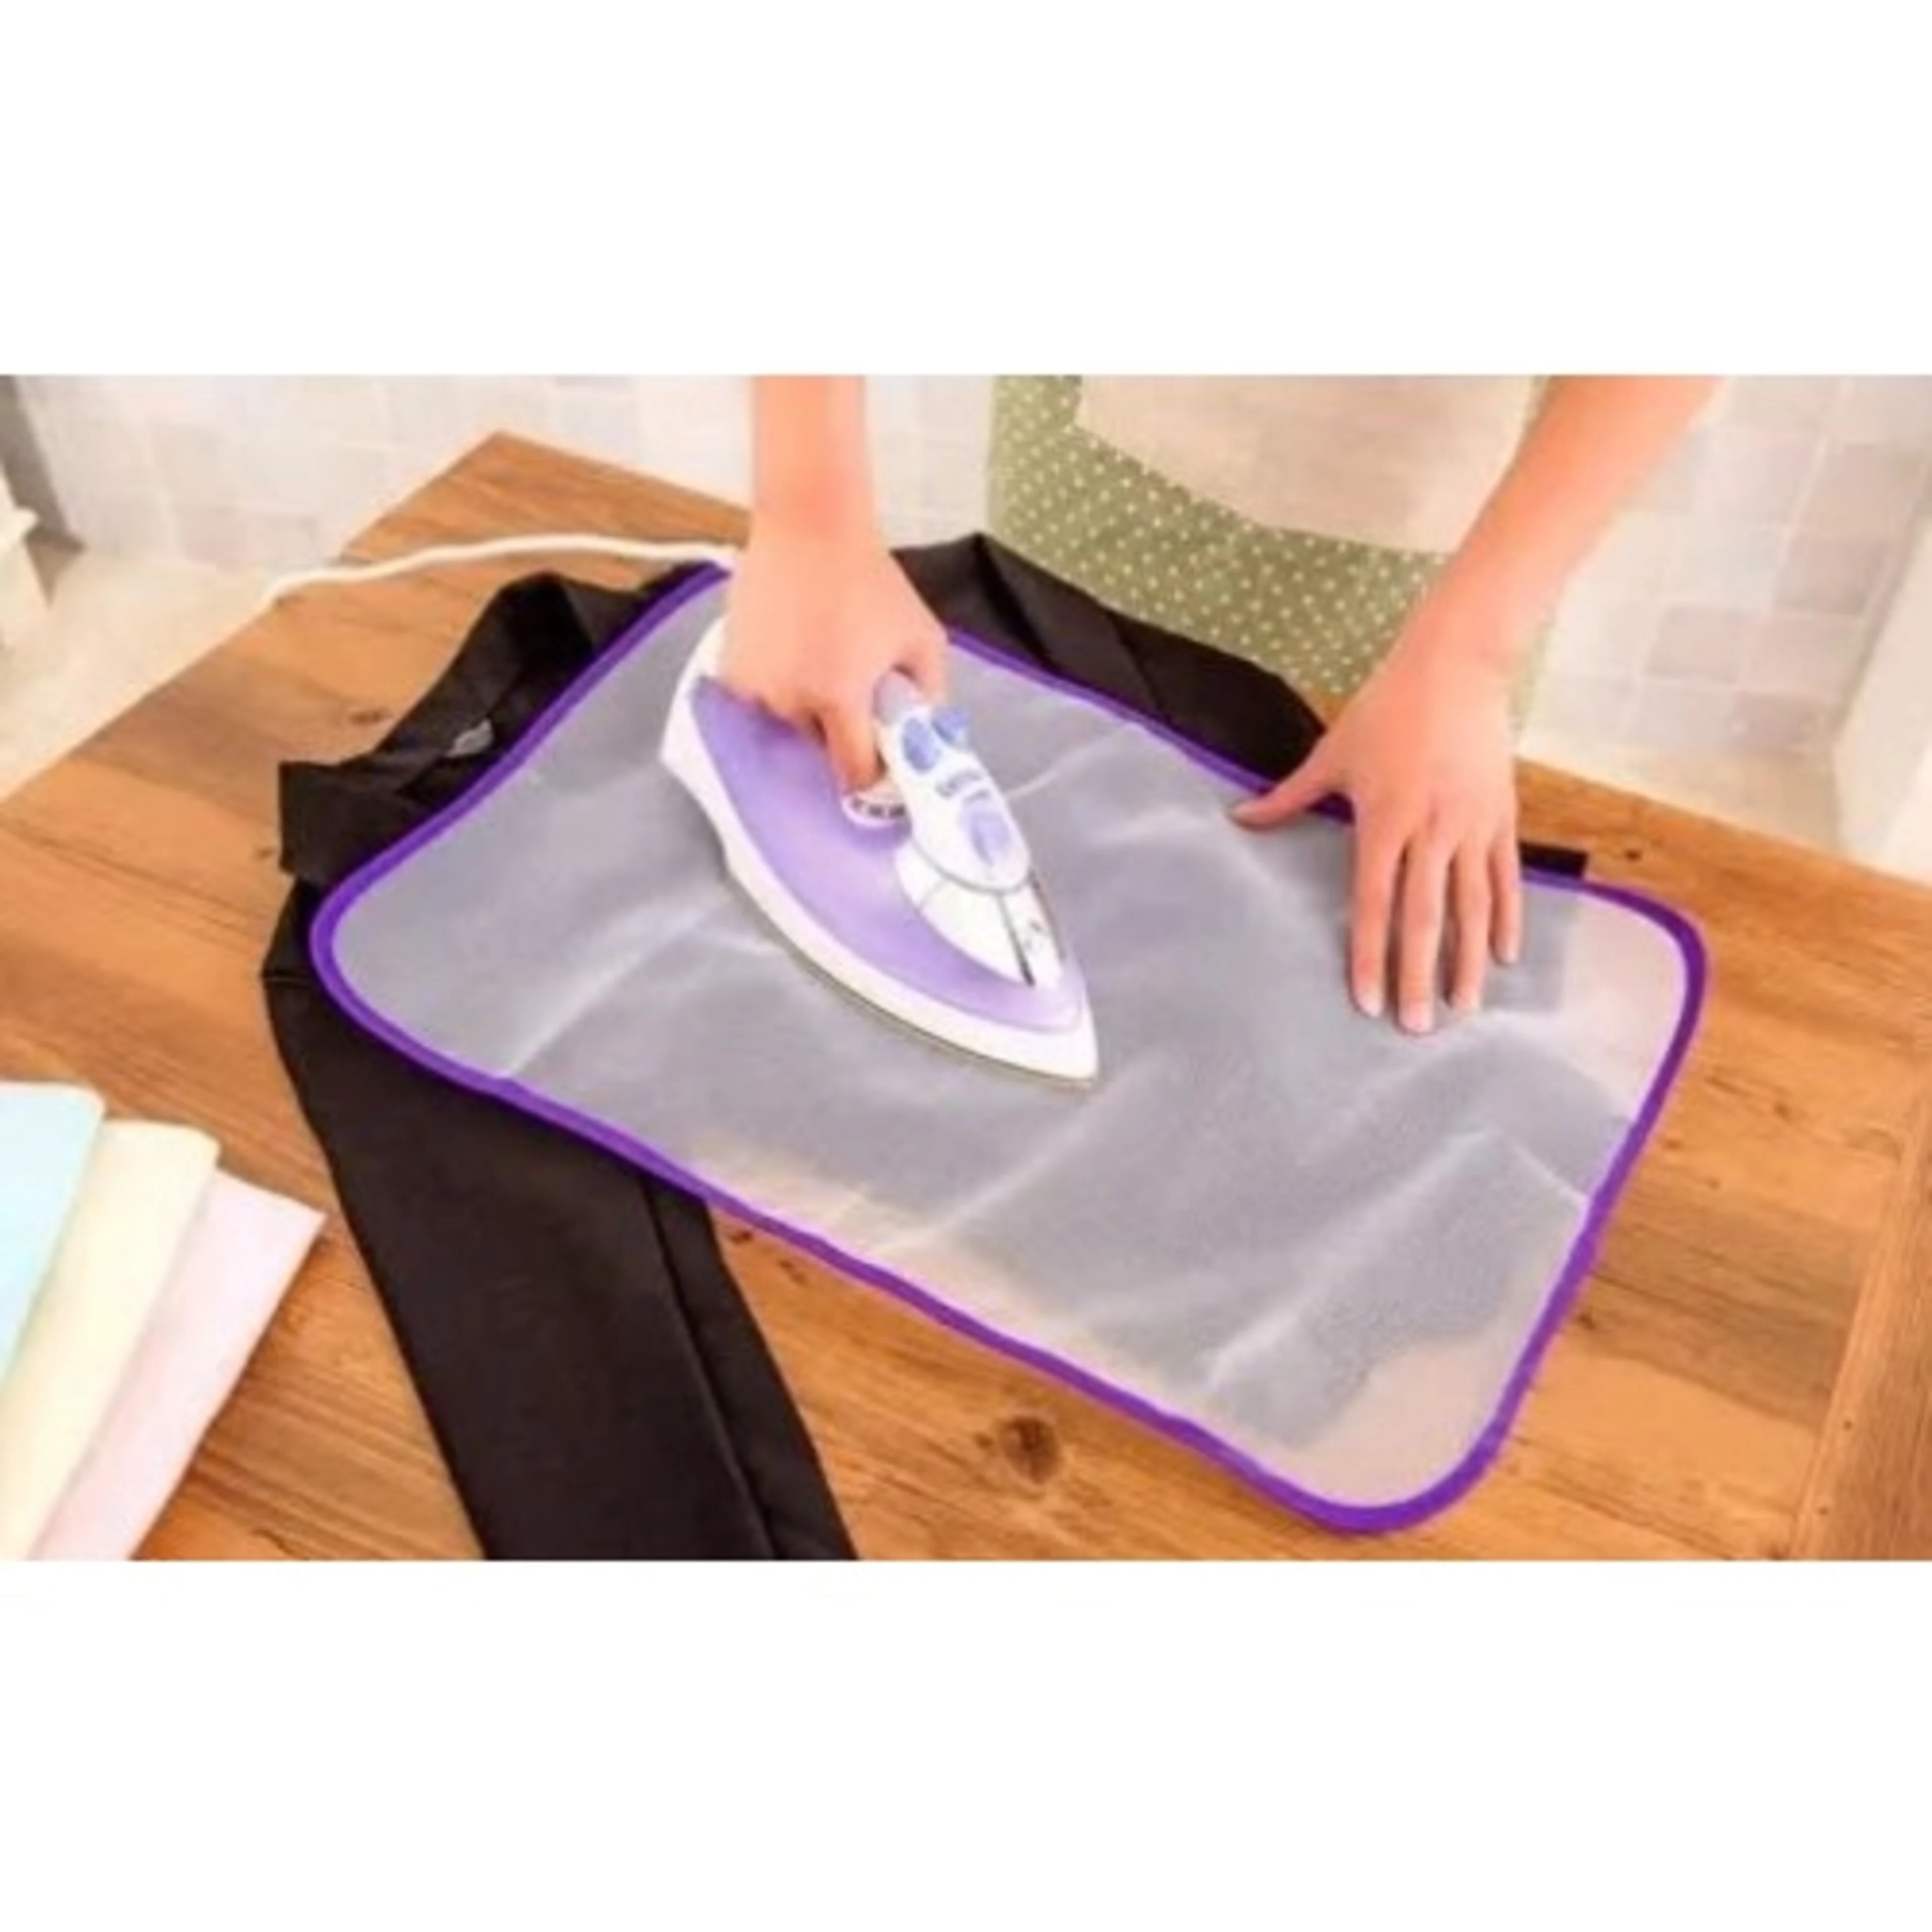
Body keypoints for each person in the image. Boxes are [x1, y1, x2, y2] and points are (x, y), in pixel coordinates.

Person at [720, 375, 1716, 1034]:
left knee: (1334, 942)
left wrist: (1470, 655)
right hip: (1094, 465)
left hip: (1435, 578)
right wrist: (809, 513)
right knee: (1064, 783)